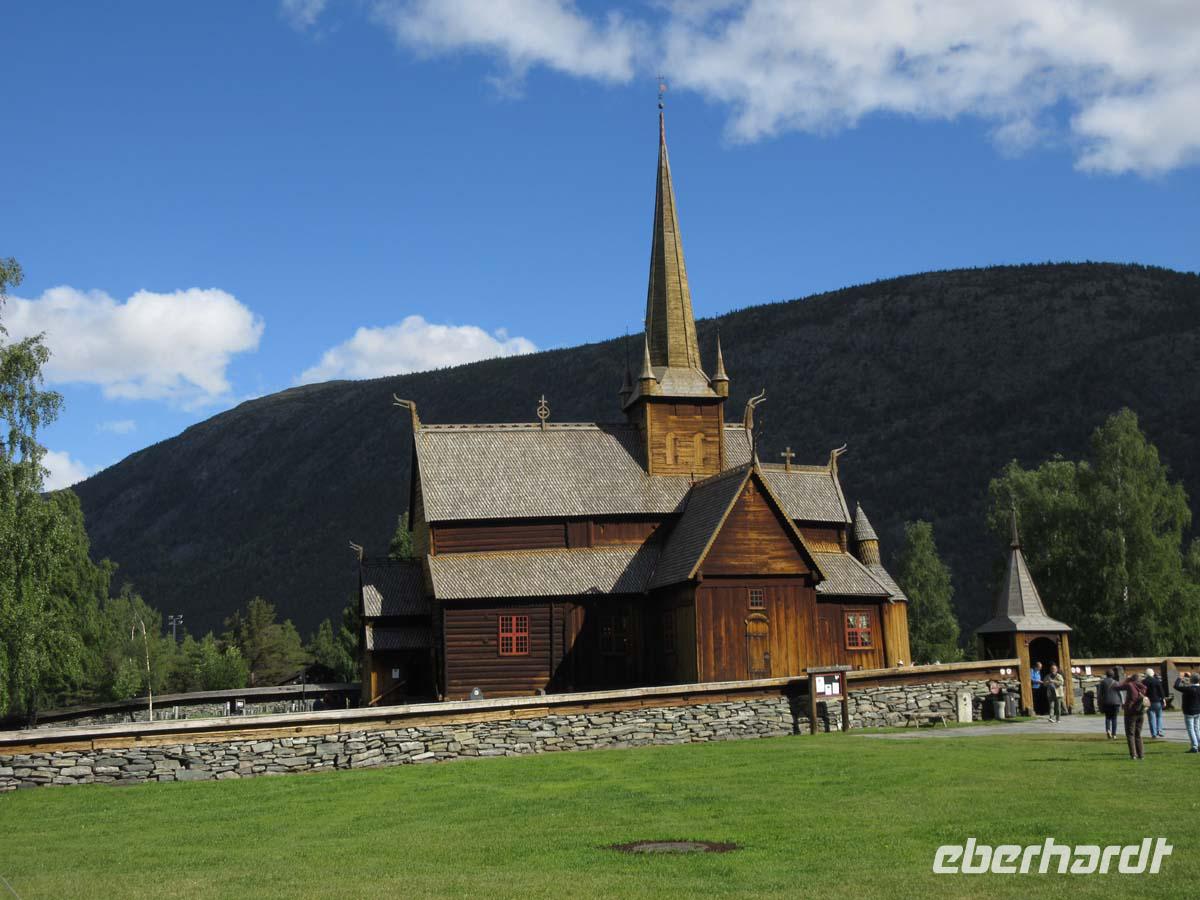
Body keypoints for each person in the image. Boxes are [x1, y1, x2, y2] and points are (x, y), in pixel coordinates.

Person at [1119, 672, 1148, 760]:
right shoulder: (1143, 688)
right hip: (1140, 712)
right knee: (1138, 734)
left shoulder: (1130, 686)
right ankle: (1141, 755)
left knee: (1130, 734)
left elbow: (1120, 687)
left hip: (1130, 712)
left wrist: (1127, 680)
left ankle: (1133, 754)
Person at [1175, 671, 1200, 753]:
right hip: (1198, 710)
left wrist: (1180, 677)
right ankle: (1198, 745)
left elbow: (1176, 686)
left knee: (1191, 729)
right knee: (1197, 728)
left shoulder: (1189, 689)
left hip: (1189, 711)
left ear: (1191, 680)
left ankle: (1194, 746)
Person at [1099, 668, 1122, 739]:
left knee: (1108, 717)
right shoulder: (1116, 682)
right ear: (1113, 675)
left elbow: (1100, 693)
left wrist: (1100, 702)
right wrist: (1122, 702)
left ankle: (1108, 730)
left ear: (1106, 674)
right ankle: (1114, 734)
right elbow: (1120, 693)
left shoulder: (1103, 682)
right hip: (1115, 702)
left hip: (1106, 702)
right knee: (1114, 718)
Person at [1144, 667, 1166, 738]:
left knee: (1151, 718)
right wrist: (1164, 700)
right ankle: (1159, 730)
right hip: (1157, 701)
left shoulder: (1144, 682)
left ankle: (1154, 734)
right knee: (1159, 716)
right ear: (1153, 673)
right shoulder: (1156, 681)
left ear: (1146, 674)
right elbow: (1161, 691)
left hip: (1148, 701)